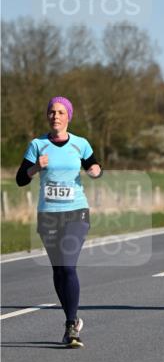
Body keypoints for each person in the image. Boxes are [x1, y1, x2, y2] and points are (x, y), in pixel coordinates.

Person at [15, 97, 102, 347]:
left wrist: (96, 171)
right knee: (58, 270)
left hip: (76, 211)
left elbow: (93, 165)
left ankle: (71, 325)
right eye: (52, 112)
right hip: (48, 213)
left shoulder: (80, 144)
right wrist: (34, 169)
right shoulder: (37, 145)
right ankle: (71, 320)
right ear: (47, 116)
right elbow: (21, 179)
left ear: (68, 116)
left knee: (68, 265)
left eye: (61, 112)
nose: (56, 116)